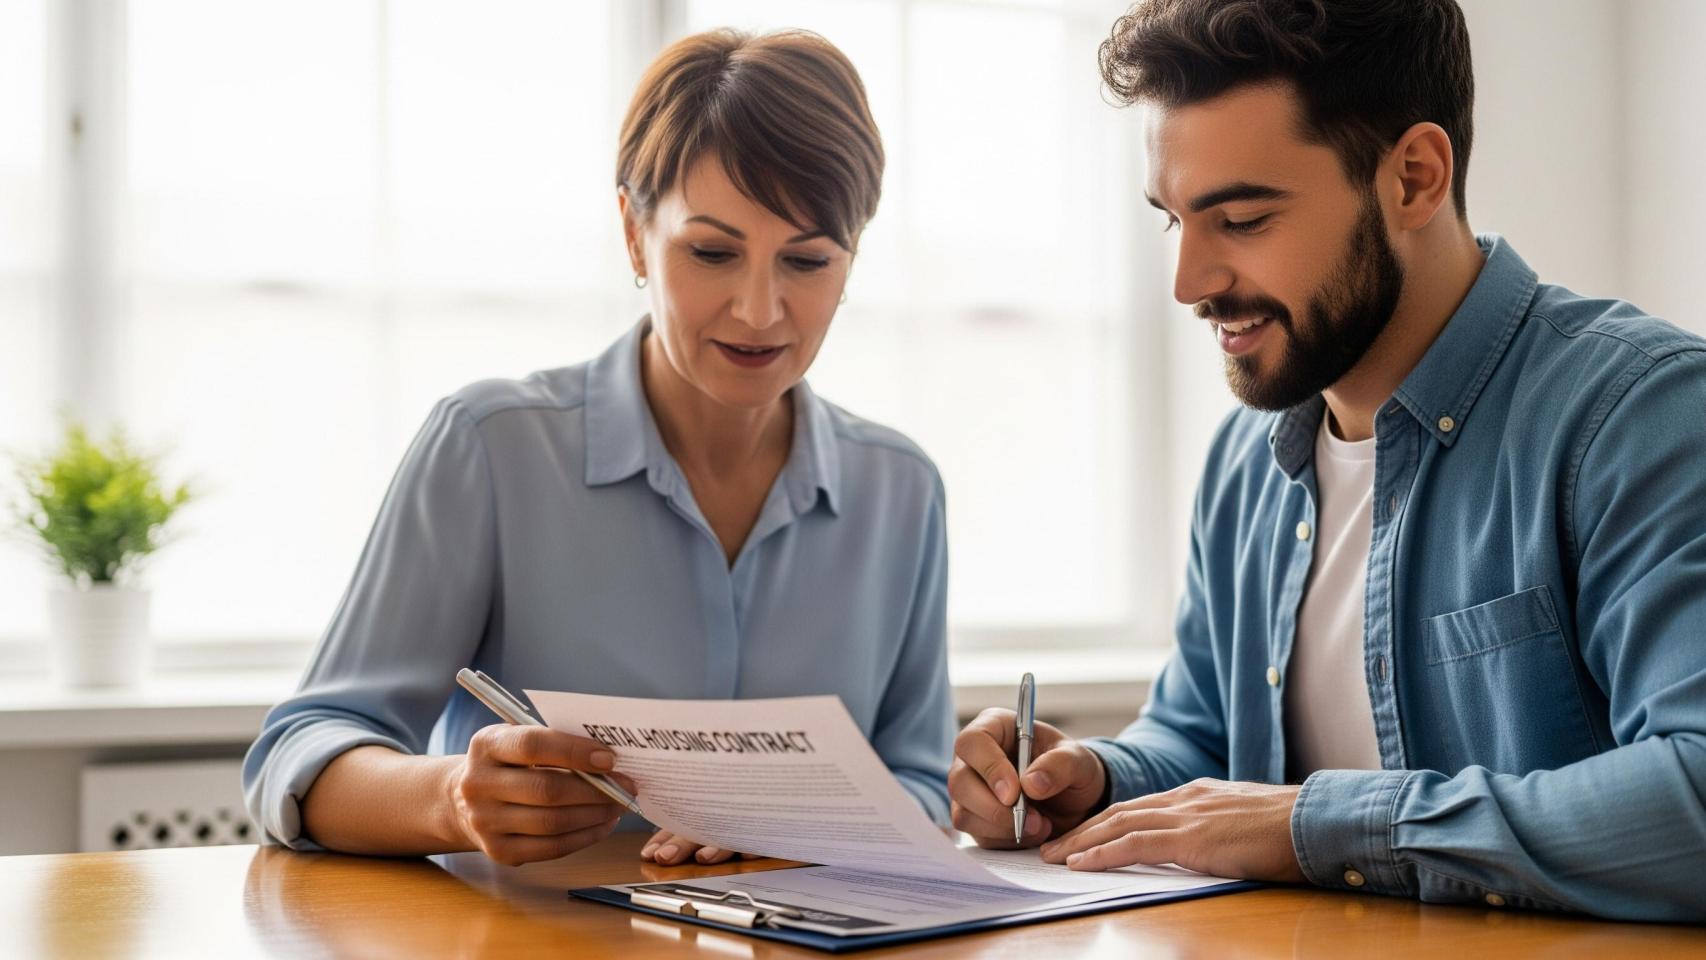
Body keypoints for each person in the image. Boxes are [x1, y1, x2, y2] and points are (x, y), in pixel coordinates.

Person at [949, 0, 1706, 921]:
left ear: (1415, 179)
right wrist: (1097, 781)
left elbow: (1694, 792)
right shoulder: (1248, 458)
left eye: (1241, 218)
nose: (1189, 282)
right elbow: (1203, 737)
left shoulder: (1641, 416)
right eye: (1173, 220)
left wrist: (1318, 824)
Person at [244, 29, 953, 868]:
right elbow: (301, 754)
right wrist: (452, 803)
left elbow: (918, 783)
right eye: (713, 252)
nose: (761, 311)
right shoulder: (491, 450)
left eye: (807, 260)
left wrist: (802, 826)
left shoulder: (900, 491)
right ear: (633, 234)